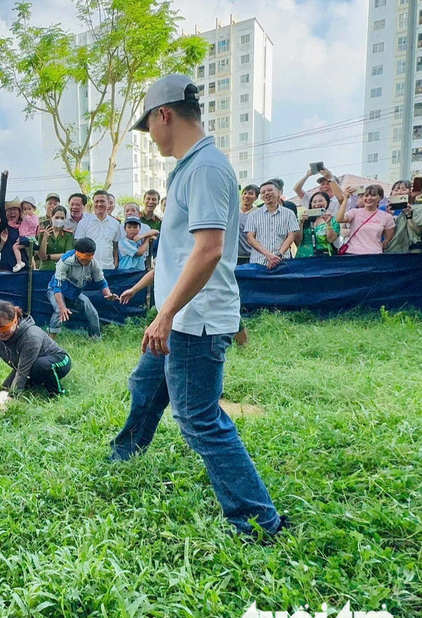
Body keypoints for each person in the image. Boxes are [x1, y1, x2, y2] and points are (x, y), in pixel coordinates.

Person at [111, 74, 285, 539]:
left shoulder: (204, 169)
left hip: (194, 321)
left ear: (164, 114)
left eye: (149, 127)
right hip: (180, 313)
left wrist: (166, 314)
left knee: (197, 417)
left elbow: (209, 250)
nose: (151, 139)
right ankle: (125, 452)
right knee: (146, 384)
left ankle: (258, 520)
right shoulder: (191, 167)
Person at [0, 301, 72, 402]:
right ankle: (37, 382)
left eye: (4, 328)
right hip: (28, 364)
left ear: (15, 321)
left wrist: (12, 397)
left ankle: (58, 393)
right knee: (4, 390)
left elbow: (22, 372)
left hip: (59, 360)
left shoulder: (30, 336)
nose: (0, 333)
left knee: (41, 366)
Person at [46, 238, 117, 339]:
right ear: (77, 254)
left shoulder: (93, 263)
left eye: (89, 257)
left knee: (92, 313)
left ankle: (95, 338)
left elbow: (101, 282)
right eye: (83, 258)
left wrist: (108, 294)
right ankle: (50, 340)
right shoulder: (65, 262)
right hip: (56, 291)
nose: (86, 261)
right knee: (58, 311)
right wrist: (62, 307)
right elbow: (57, 287)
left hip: (74, 293)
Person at [245, 180, 300, 268]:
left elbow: (291, 236)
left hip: (283, 261)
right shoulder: (253, 215)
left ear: (279, 192)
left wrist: (278, 255)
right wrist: (268, 255)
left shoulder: (289, 213)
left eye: (270, 190)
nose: (266, 193)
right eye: (263, 192)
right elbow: (250, 238)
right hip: (258, 262)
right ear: (261, 197)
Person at [332, 183, 395, 255]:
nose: (369, 198)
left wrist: (380, 246)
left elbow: (389, 237)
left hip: (374, 254)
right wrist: (346, 198)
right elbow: (339, 219)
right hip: (352, 252)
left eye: (373, 195)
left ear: (380, 197)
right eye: (366, 195)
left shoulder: (386, 216)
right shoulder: (354, 212)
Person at [75, 190, 122, 270]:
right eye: (96, 201)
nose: (99, 204)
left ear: (108, 203)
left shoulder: (115, 223)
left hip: (109, 268)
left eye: (102, 201)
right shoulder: (83, 223)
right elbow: (78, 247)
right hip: (88, 268)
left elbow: (115, 246)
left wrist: (115, 264)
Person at [296, 192, 340, 258]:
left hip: (324, 257)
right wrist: (301, 222)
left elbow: (331, 239)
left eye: (320, 201)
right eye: (314, 202)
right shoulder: (305, 219)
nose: (317, 204)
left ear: (327, 202)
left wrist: (328, 223)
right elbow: (298, 239)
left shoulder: (333, 220)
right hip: (303, 257)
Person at [37, 203, 75, 272]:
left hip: (63, 270)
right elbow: (41, 256)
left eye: (62, 218)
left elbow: (68, 255)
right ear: (51, 217)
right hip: (46, 270)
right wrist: (45, 239)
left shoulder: (68, 235)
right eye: (57, 217)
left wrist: (49, 256)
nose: (59, 220)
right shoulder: (43, 233)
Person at [0, 198, 23, 272]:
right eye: (9, 210)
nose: (12, 212)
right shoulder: (3, 227)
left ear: (19, 212)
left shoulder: (25, 227)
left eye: (15, 209)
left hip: (23, 268)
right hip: (6, 268)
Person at [237, 184, 259, 266]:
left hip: (251, 256)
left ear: (256, 197)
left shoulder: (258, 213)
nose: (247, 196)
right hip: (232, 255)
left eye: (250, 194)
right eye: (245, 193)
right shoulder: (232, 210)